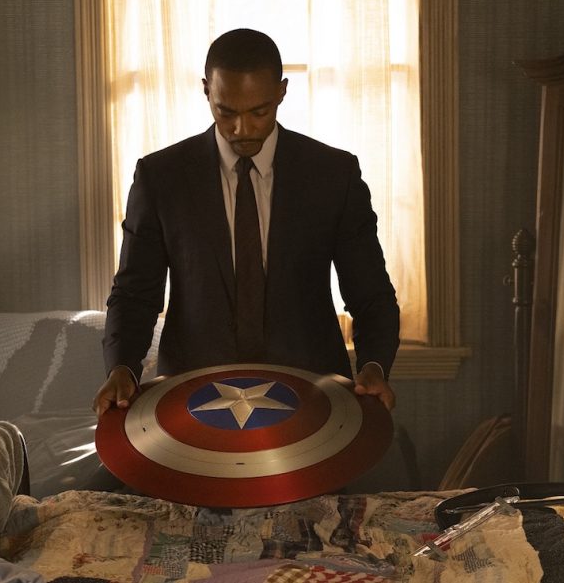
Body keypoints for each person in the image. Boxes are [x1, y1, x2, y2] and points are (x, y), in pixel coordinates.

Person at [93, 28, 400, 417]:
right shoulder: (161, 178)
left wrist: (374, 366)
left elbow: (371, 294)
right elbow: (134, 294)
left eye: (259, 112)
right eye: (226, 112)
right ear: (206, 91)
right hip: (194, 399)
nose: (242, 128)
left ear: (282, 92)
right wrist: (122, 367)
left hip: (311, 397)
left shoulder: (334, 176)